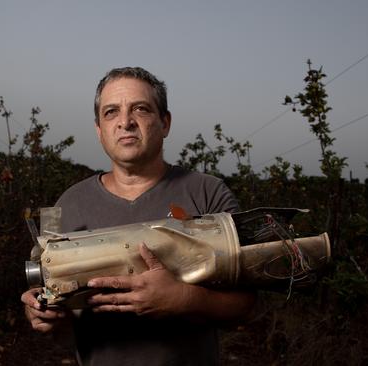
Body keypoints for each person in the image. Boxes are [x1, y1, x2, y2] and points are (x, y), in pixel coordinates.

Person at [21, 67, 256, 365]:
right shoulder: (65, 205)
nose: (125, 122)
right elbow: (60, 326)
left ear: (165, 122)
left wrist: (183, 300)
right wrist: (43, 314)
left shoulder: (209, 193)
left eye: (140, 109)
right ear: (99, 130)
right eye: (111, 112)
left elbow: (246, 305)